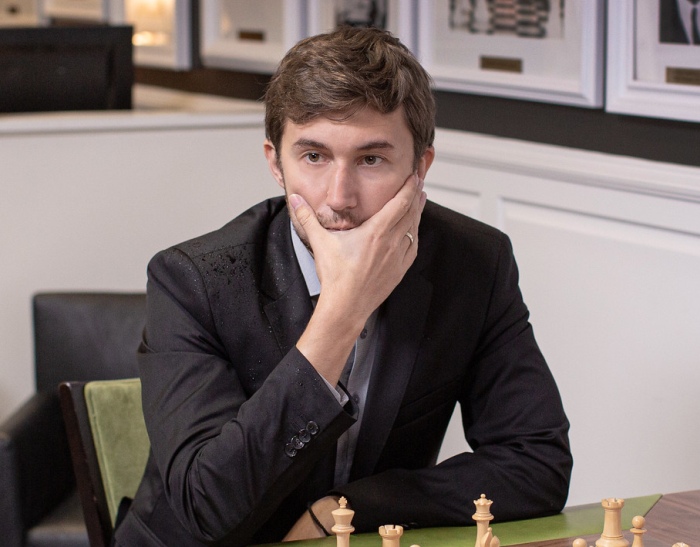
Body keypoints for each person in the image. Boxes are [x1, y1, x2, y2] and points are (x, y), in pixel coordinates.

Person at [114, 26, 572, 547]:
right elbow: (207, 509)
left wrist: (348, 509)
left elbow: (537, 462)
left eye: (371, 159)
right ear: (275, 163)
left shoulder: (474, 262)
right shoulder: (191, 280)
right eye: (313, 157)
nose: (338, 198)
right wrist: (342, 312)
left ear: (421, 167)